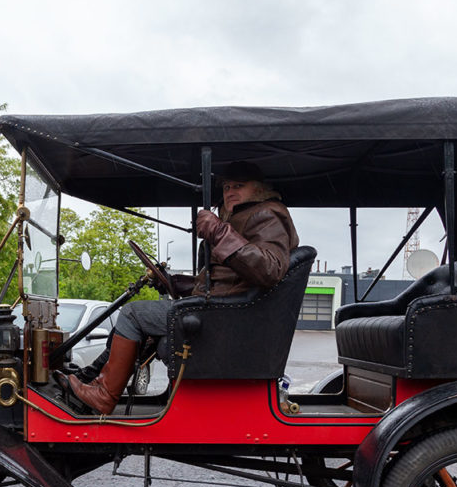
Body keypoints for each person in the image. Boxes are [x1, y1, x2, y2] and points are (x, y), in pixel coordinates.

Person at [60, 161, 299, 415]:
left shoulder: (266, 215)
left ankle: (104, 395)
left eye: (238, 186)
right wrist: (180, 283)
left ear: (259, 189)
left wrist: (219, 232)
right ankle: (92, 378)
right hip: (226, 313)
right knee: (146, 323)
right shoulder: (244, 217)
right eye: (227, 186)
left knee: (133, 314)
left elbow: (269, 269)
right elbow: (229, 278)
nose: (229, 191)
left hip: (226, 318)